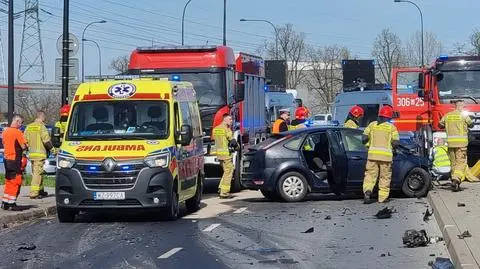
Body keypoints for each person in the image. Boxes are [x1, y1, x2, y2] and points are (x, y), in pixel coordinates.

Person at [362, 105, 400, 204]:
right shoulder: (391, 127)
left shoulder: (372, 125)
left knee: (370, 175)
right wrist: (394, 149)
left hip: (372, 156)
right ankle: (382, 198)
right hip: (386, 158)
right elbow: (396, 143)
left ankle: (367, 191)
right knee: (384, 178)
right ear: (389, 116)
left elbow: (363, 139)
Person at [439, 99, 473, 191]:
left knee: (453, 163)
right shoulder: (464, 115)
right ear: (461, 106)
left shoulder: (448, 115)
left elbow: (440, 124)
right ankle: (456, 179)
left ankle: (455, 184)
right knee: (461, 163)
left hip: (450, 144)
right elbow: (471, 124)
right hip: (461, 144)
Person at [24, 111, 55, 199]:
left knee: (37, 172)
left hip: (32, 154)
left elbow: (25, 140)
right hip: (40, 154)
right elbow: (46, 140)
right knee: (37, 174)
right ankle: (34, 193)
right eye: (44, 118)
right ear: (42, 117)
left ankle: (40, 190)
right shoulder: (41, 126)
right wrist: (53, 150)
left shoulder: (29, 127)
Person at [1, 114, 27, 210]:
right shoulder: (17, 132)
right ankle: (11, 203)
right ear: (16, 121)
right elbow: (23, 146)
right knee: (16, 181)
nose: (21, 125)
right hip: (15, 159)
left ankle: (5, 202)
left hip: (7, 159)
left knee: (9, 181)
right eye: (21, 122)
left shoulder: (5, 132)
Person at [212, 114, 239, 199]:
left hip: (219, 154)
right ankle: (224, 192)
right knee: (229, 172)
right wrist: (238, 147)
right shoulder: (226, 129)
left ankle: (221, 188)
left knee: (225, 172)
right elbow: (233, 142)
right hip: (226, 155)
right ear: (225, 120)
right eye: (230, 119)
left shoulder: (216, 129)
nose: (231, 121)